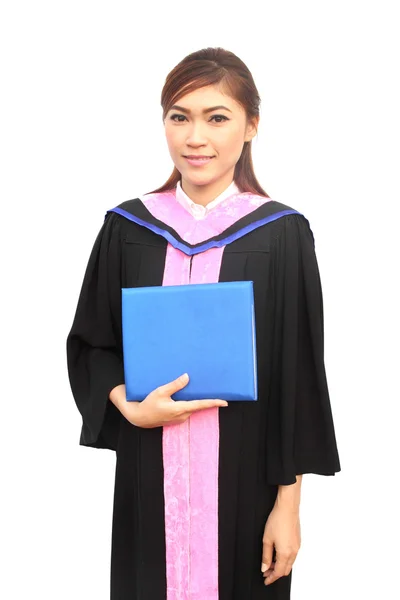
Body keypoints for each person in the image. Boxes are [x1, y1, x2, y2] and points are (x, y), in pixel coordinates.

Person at [66, 46, 341, 599]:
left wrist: (287, 507)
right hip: (150, 479)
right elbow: (94, 345)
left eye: (217, 118)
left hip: (249, 483)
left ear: (251, 126)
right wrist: (128, 405)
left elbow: (297, 380)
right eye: (179, 117)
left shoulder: (281, 234)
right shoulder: (129, 226)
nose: (196, 138)